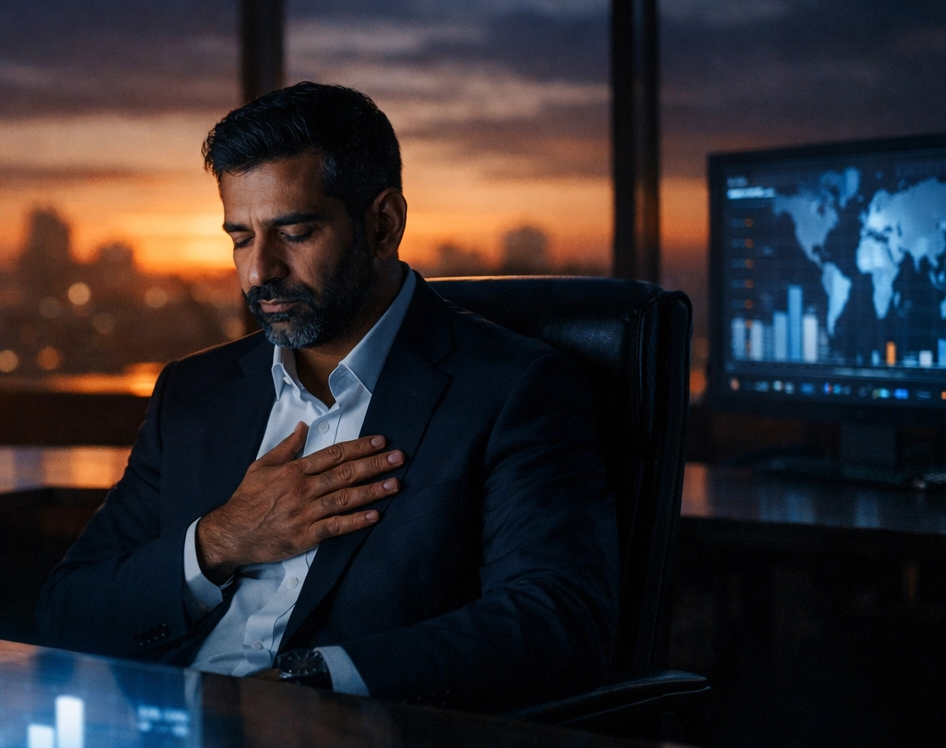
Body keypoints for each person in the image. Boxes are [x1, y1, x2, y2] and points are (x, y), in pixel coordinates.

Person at [37, 82, 619, 710]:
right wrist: (219, 542)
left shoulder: (511, 387)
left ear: (382, 224)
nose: (260, 272)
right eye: (240, 238)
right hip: (162, 740)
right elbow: (70, 612)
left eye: (295, 232)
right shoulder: (193, 392)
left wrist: (310, 683)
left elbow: (556, 621)